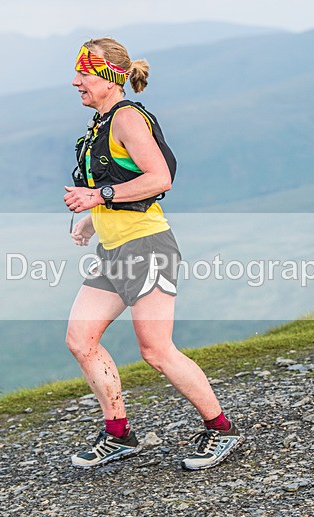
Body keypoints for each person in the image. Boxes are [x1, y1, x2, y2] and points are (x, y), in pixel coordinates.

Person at [62, 37, 244, 471]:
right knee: (80, 340)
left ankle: (221, 430)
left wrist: (97, 197)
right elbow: (120, 180)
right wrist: (94, 218)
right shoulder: (102, 122)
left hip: (147, 248)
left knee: (157, 351)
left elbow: (159, 178)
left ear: (110, 78)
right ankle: (118, 434)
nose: (76, 82)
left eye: (84, 74)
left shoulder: (126, 118)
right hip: (115, 251)